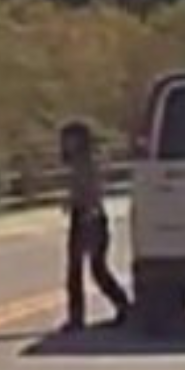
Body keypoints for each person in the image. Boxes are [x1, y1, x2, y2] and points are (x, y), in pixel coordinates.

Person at [59, 120, 131, 331]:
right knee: (85, 269)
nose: (66, 143)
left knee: (91, 269)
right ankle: (117, 306)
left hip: (89, 217)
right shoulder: (77, 163)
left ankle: (120, 306)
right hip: (81, 214)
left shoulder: (87, 162)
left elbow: (93, 189)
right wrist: (70, 202)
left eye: (70, 138)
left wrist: (87, 210)